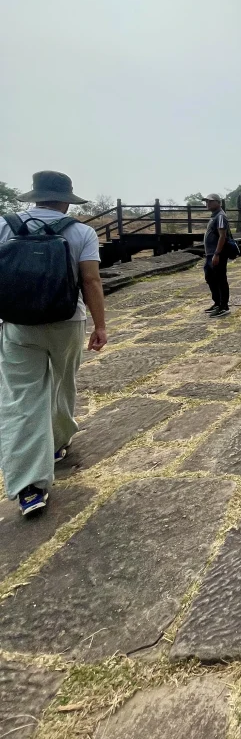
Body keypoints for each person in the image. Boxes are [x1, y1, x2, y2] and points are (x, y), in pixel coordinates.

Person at [0, 171, 107, 516]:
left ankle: (29, 487)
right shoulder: (81, 232)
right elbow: (90, 281)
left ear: (34, 196)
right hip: (66, 322)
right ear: (66, 200)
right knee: (63, 383)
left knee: (21, 400)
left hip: (17, 324)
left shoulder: (5, 226)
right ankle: (59, 442)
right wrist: (100, 326)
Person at [203, 193, 231, 318]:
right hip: (210, 254)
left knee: (220, 279)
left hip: (217, 254)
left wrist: (217, 254)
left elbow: (222, 236)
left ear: (218, 203)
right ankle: (217, 302)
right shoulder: (214, 216)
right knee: (210, 278)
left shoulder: (220, 216)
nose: (207, 204)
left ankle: (224, 306)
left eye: (210, 201)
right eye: (207, 201)